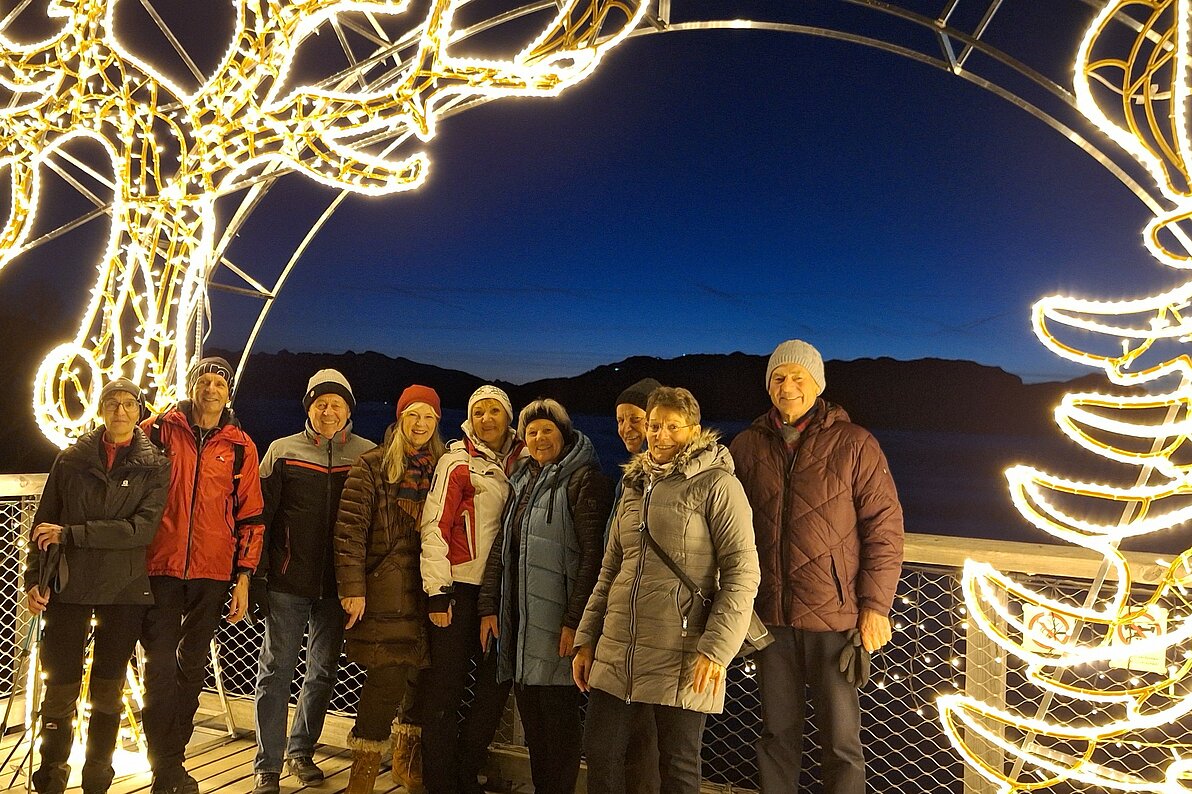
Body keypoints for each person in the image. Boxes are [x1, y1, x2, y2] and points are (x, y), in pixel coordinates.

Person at [729, 340, 904, 794]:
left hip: (834, 618)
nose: (787, 387)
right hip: (769, 618)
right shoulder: (746, 445)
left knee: (841, 743)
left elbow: (884, 528)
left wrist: (876, 606)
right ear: (768, 385)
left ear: (818, 385)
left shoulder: (855, 443)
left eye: (798, 377)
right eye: (778, 378)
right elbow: (725, 525)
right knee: (776, 737)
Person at [574, 386, 760, 794]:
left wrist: (717, 648)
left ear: (693, 430)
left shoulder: (717, 485)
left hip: (683, 649)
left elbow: (742, 573)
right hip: (619, 646)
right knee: (601, 754)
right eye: (655, 426)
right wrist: (586, 639)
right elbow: (610, 569)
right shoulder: (633, 485)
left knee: (677, 765)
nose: (661, 436)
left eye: (673, 427)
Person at [24, 378, 170, 794]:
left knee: (108, 689)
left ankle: (97, 779)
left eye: (128, 404)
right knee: (59, 688)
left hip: (124, 589)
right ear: (100, 408)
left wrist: (73, 534)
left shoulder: (156, 465)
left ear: (139, 411)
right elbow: (43, 524)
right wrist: (34, 579)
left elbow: (140, 531)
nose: (120, 411)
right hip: (67, 586)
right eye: (112, 403)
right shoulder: (71, 459)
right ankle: (50, 776)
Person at [139, 356, 265, 794]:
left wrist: (244, 576)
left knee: (191, 667)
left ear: (228, 393)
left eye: (219, 384)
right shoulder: (158, 431)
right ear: (192, 386)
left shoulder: (241, 447)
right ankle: (166, 766)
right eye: (204, 381)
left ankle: (171, 761)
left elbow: (251, 516)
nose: (211, 389)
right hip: (160, 565)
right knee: (158, 668)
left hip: (212, 572)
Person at [477, 399, 611, 794]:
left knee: (560, 727)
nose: (539, 438)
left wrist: (575, 623)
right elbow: (502, 548)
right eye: (531, 432)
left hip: (557, 630)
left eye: (547, 430)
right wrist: (488, 605)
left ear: (564, 434)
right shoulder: (522, 480)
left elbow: (594, 557)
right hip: (520, 627)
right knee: (535, 727)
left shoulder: (584, 480)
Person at [251, 370, 376, 794]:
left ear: (348, 410)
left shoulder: (366, 454)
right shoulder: (282, 451)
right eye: (321, 403)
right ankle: (267, 765)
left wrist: (362, 582)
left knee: (322, 671)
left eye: (336, 404)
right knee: (275, 671)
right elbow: (262, 519)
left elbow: (374, 523)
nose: (328, 411)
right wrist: (257, 575)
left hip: (338, 586)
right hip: (287, 581)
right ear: (309, 407)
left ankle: (301, 750)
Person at [334, 384, 446, 794]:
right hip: (385, 586)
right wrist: (353, 587)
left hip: (429, 588)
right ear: (400, 419)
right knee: (386, 680)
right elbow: (350, 531)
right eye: (413, 415)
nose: (420, 424)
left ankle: (406, 765)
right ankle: (361, 778)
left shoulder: (443, 467)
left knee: (422, 680)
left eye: (429, 416)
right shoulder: (373, 465)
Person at [419, 385, 526, 794]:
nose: (486, 418)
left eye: (494, 410)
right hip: (458, 590)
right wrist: (437, 590)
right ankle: (439, 782)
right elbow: (434, 526)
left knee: (492, 690)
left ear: (508, 416)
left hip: (502, 593)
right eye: (478, 412)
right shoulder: (457, 462)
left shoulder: (525, 461)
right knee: (445, 689)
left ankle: (467, 773)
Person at [611, 378, 662, 794]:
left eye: (636, 419)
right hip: (621, 620)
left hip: (655, 625)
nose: (626, 428)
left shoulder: (663, 478)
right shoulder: (630, 477)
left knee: (647, 736)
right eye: (620, 420)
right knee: (625, 736)